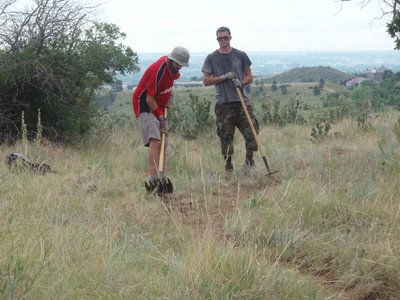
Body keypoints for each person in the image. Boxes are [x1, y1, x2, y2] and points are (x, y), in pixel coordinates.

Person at [201, 26, 259, 173]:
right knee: (225, 137)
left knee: (252, 132)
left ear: (230, 38)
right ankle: (228, 167)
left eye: (225, 37)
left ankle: (249, 162)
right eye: (220, 38)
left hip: (241, 102)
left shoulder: (241, 55)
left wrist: (242, 83)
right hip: (223, 104)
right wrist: (222, 77)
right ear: (217, 39)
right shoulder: (211, 58)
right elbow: (206, 80)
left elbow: (249, 76)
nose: (223, 40)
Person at [133, 46, 190, 184]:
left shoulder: (172, 70)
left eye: (182, 65)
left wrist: (168, 100)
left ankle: (161, 176)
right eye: (178, 64)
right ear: (171, 60)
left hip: (158, 105)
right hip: (145, 105)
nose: (180, 67)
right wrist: (161, 118)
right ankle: (153, 179)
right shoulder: (158, 69)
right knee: (156, 140)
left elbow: (166, 88)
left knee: (163, 144)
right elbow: (149, 98)